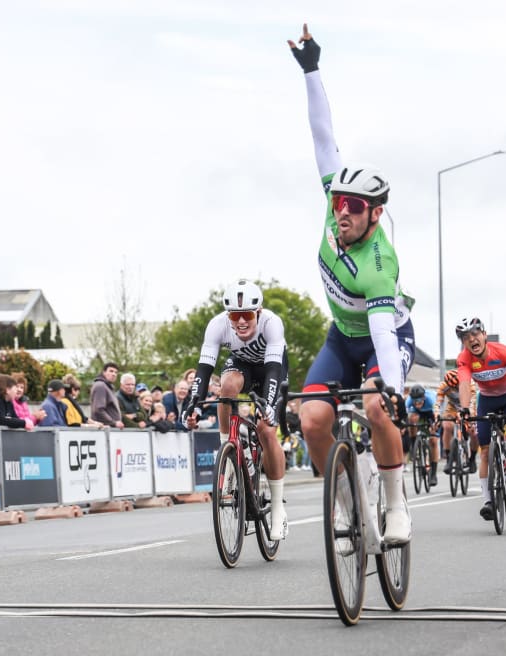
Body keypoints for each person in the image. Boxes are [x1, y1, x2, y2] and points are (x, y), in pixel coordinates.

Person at [289, 24, 415, 544]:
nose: (343, 211)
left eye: (355, 206)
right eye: (339, 202)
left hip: (385, 339)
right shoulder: (333, 204)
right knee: (312, 420)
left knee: (376, 407)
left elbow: (383, 334)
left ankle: (396, 505)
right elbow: (323, 135)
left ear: (376, 214)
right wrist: (311, 69)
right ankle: (348, 505)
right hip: (341, 338)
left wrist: (395, 390)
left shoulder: (378, 264)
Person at [183, 279, 290, 540]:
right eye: (234, 316)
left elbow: (273, 370)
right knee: (227, 386)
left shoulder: (271, 323)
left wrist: (269, 406)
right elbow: (204, 370)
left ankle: (278, 508)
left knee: (266, 431)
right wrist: (192, 404)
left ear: (258, 312)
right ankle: (228, 450)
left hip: (271, 371)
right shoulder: (217, 325)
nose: (241, 322)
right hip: (242, 366)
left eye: (247, 315)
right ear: (228, 315)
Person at [454, 317, 506, 521]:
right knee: (484, 452)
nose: (471, 339)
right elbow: (464, 384)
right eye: (465, 337)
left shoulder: (503, 352)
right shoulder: (464, 358)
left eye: (475, 334)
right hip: (487, 400)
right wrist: (464, 410)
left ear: (484, 335)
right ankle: (488, 501)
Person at [437, 370, 478, 475]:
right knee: (446, 426)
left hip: (468, 406)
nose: (455, 389)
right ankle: (448, 459)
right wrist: (437, 414)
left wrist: (469, 415)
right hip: (452, 408)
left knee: (473, 433)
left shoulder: (469, 383)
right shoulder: (443, 386)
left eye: (457, 386)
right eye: (453, 387)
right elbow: (438, 402)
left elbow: (473, 401)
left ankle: (472, 459)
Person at [405, 385, 439, 487]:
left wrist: (434, 426)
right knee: (411, 419)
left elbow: (437, 416)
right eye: (415, 401)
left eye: (419, 401)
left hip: (431, 413)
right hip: (418, 414)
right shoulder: (409, 401)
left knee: (433, 440)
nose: (417, 403)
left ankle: (433, 473)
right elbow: (405, 416)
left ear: (424, 398)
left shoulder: (431, 399)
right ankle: (414, 445)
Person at [90, 363, 123, 428]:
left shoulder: (108, 387)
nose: (114, 374)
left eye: (116, 372)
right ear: (104, 372)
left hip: (109, 429)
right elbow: (98, 410)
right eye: (111, 371)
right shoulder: (100, 386)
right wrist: (114, 423)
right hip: (103, 429)